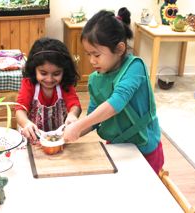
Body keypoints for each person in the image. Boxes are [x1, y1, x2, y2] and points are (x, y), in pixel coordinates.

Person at [63, 9, 164, 174]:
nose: (91, 61)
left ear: (119, 49)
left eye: (96, 54)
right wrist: (69, 132)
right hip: (117, 147)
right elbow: (94, 119)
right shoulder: (95, 79)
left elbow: (116, 103)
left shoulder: (135, 67)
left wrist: (79, 125)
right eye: (88, 54)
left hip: (145, 147)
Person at [15, 37, 82, 142]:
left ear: (64, 71)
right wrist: (26, 123)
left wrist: (72, 115)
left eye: (56, 74)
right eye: (43, 73)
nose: (49, 79)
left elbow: (75, 104)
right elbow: (20, 109)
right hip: (32, 138)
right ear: (34, 69)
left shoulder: (64, 84)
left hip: (58, 138)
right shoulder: (29, 83)